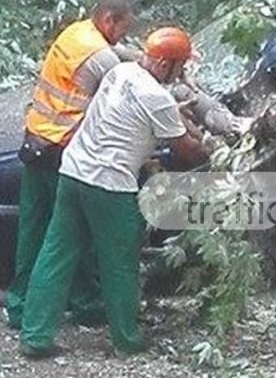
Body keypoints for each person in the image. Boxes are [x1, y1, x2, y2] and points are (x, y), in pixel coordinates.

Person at [19, 26, 209, 358]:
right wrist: (214, 146)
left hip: (73, 171)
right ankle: (127, 338)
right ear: (165, 65)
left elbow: (137, 116)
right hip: (109, 185)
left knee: (56, 252)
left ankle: (35, 335)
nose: (183, 73)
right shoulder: (157, 98)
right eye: (181, 66)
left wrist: (178, 115)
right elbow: (187, 151)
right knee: (120, 262)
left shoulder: (120, 71)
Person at [6, 0, 135, 329]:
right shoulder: (99, 57)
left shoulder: (76, 33)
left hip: (35, 141)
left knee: (32, 231)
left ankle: (19, 307)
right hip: (61, 150)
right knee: (71, 233)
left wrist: (144, 54)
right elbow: (129, 87)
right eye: (123, 27)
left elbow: (117, 55)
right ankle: (87, 304)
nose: (123, 35)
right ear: (109, 20)